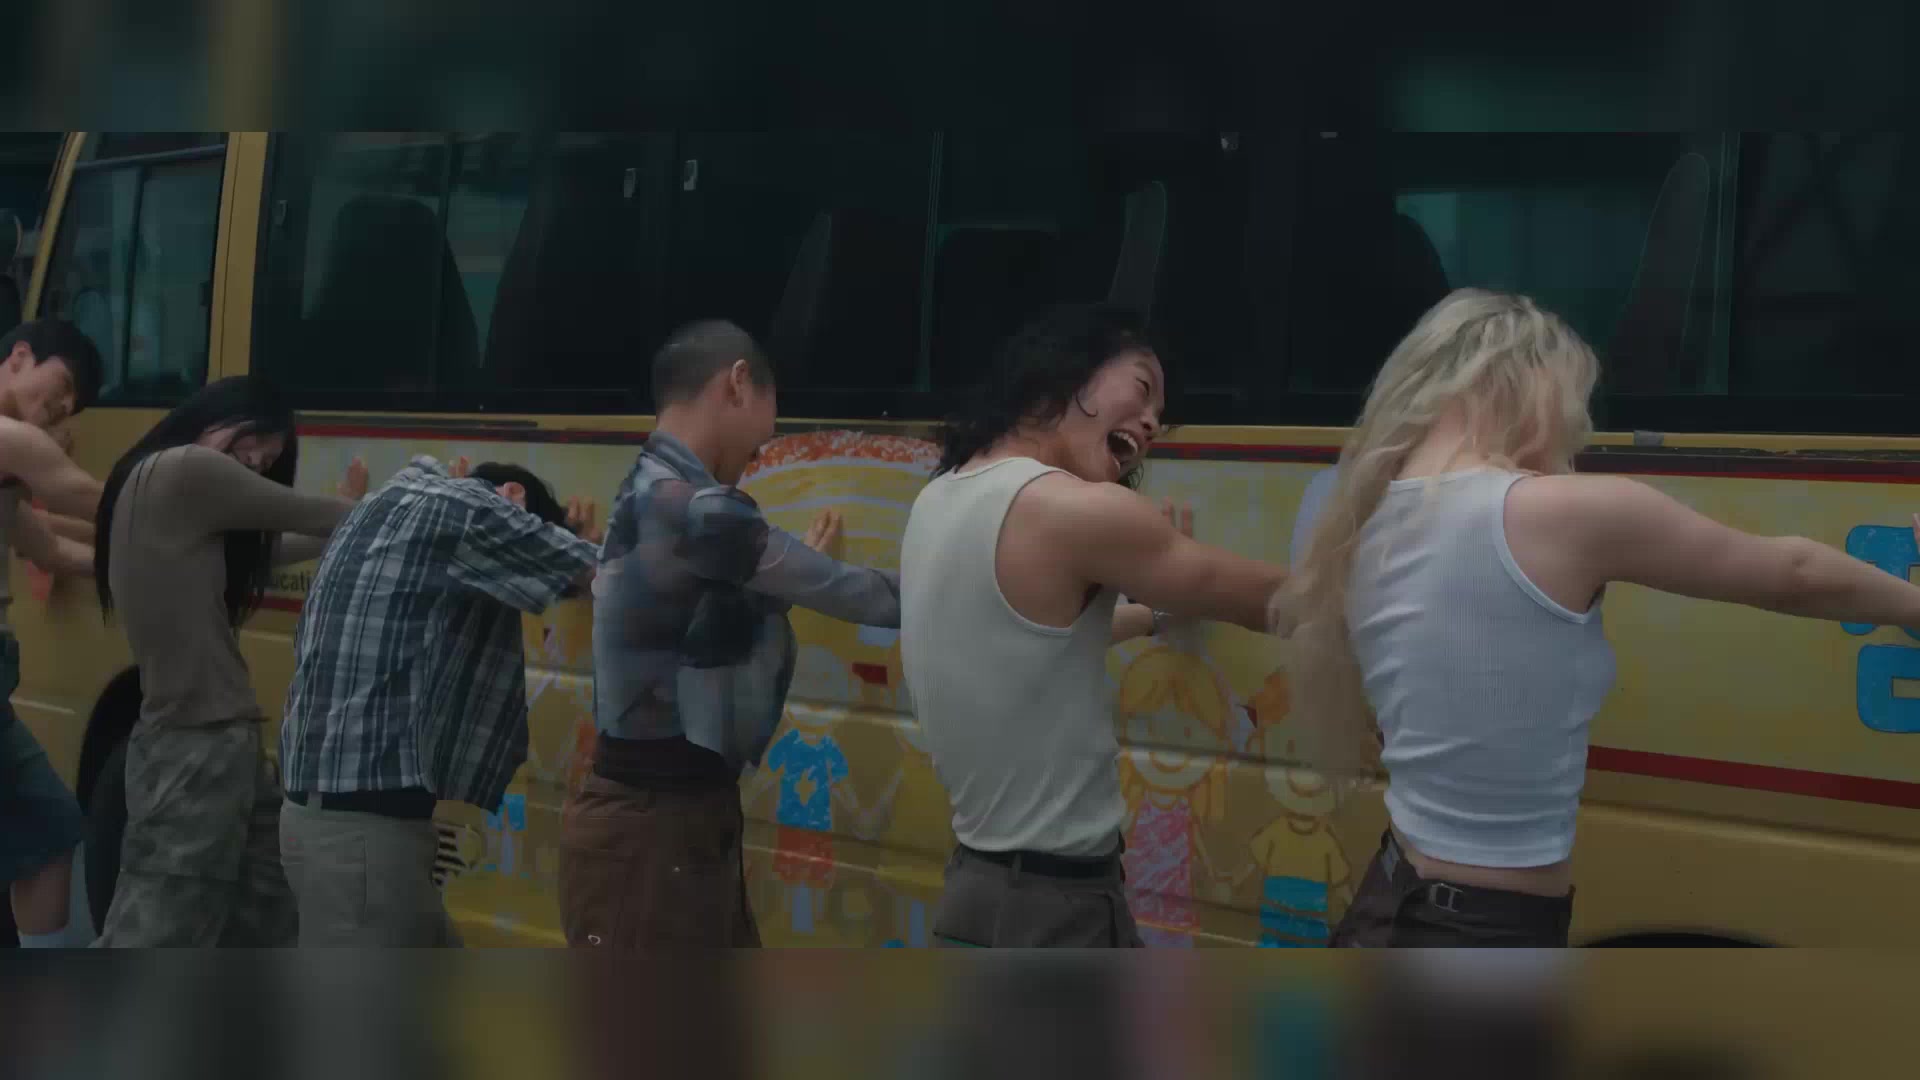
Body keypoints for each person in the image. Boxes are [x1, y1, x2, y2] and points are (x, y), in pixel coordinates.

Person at [1286, 288, 1920, 948]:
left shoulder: (1357, 519)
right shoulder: (1561, 514)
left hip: (1387, 902)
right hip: (1474, 931)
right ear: (1527, 389)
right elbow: (1796, 574)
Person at [899, 303, 1289, 948]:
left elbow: (1030, 642)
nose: (1152, 422)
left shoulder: (938, 497)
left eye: (1159, 415)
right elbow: (1265, 599)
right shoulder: (1069, 510)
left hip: (975, 890)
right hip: (1056, 908)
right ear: (1067, 373)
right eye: (1142, 387)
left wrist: (1156, 614)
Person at [558, 319, 901, 948]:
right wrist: (990, 586)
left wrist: (787, 577)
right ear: (737, 383)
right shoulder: (695, 507)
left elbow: (691, 626)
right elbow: (861, 594)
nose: (755, 460)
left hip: (660, 820)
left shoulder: (645, 487)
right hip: (655, 831)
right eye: (761, 444)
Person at [278, 456, 601, 946]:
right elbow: (605, 574)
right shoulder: (469, 511)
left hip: (334, 824)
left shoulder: (392, 504)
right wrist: (584, 544)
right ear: (512, 497)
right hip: (362, 838)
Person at [92, 376, 368, 947]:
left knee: (268, 908)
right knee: (159, 928)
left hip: (211, 742)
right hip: (198, 745)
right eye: (255, 445)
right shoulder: (187, 468)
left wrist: (339, 523)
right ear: (222, 411)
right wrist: (373, 504)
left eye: (266, 462)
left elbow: (273, 548)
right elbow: (310, 512)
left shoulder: (152, 480)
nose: (256, 463)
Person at [0, 319, 103, 948]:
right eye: (61, 386)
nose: (61, 408)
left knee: (49, 827)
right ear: (19, 356)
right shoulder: (10, 440)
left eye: (72, 405)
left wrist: (132, 559)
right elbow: (90, 497)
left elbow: (50, 547)